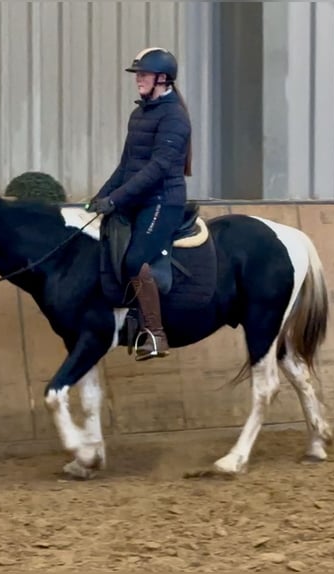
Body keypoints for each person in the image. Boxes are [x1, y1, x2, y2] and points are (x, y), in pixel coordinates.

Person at [86, 46, 193, 361]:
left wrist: (116, 199)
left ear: (162, 78)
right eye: (138, 75)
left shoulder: (175, 118)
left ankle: (156, 335)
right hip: (137, 197)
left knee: (134, 261)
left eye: (143, 75)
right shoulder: (140, 114)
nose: (138, 81)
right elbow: (127, 165)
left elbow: (157, 169)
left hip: (162, 201)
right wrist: (101, 196)